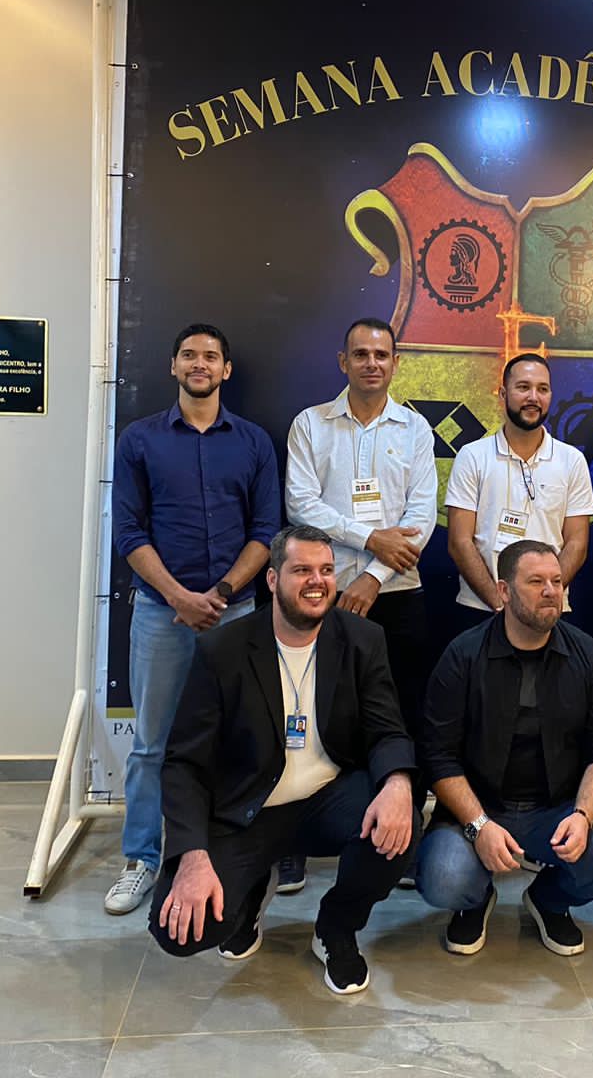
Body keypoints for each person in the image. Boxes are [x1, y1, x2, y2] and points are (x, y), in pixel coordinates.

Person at [148, 526, 418, 996]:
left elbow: (387, 729)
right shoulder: (223, 650)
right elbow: (184, 764)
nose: (317, 582)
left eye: (327, 570)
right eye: (301, 570)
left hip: (327, 799)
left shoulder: (362, 639)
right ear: (272, 580)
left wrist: (398, 784)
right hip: (248, 810)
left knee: (400, 824)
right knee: (181, 933)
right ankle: (253, 887)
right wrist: (192, 857)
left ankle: (337, 927)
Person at [105, 323, 279, 916]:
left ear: (227, 369)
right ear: (173, 366)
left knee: (238, 741)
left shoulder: (253, 442)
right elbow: (129, 532)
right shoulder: (139, 440)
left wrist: (223, 592)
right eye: (188, 355)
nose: (199, 363)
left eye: (210, 356)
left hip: (238, 612)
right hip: (162, 615)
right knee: (151, 743)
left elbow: (265, 531)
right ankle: (141, 859)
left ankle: (224, 854)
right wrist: (179, 597)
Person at [417, 539, 593, 957]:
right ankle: (474, 899)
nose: (551, 591)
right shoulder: (462, 656)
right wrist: (479, 825)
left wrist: (583, 816)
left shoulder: (588, 656)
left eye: (556, 581)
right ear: (503, 591)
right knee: (443, 879)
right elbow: (437, 756)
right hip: (478, 809)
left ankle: (548, 899)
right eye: (536, 582)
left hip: (559, 808)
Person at [283, 317, 437, 893]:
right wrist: (370, 537)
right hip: (319, 594)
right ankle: (294, 838)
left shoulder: (415, 429)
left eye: (382, 354)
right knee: (309, 714)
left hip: (396, 596)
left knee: (402, 716)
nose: (372, 363)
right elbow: (300, 505)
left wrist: (372, 576)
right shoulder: (311, 424)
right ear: (342, 362)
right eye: (361, 354)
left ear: (396, 363)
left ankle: (404, 835)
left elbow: (421, 517)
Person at [444, 353, 593, 631]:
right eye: (523, 387)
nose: (533, 397)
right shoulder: (473, 456)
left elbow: (577, 543)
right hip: (481, 609)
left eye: (542, 389)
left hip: (548, 614)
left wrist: (544, 597)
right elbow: (459, 541)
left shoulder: (571, 460)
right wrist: (501, 605)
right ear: (503, 394)